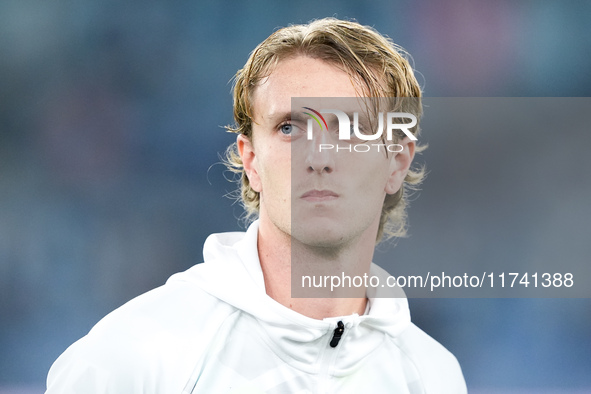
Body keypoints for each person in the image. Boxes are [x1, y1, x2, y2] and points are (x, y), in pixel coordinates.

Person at [46, 18, 467, 393]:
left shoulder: (433, 376)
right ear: (251, 161)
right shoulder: (132, 359)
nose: (319, 156)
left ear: (397, 162)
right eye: (289, 128)